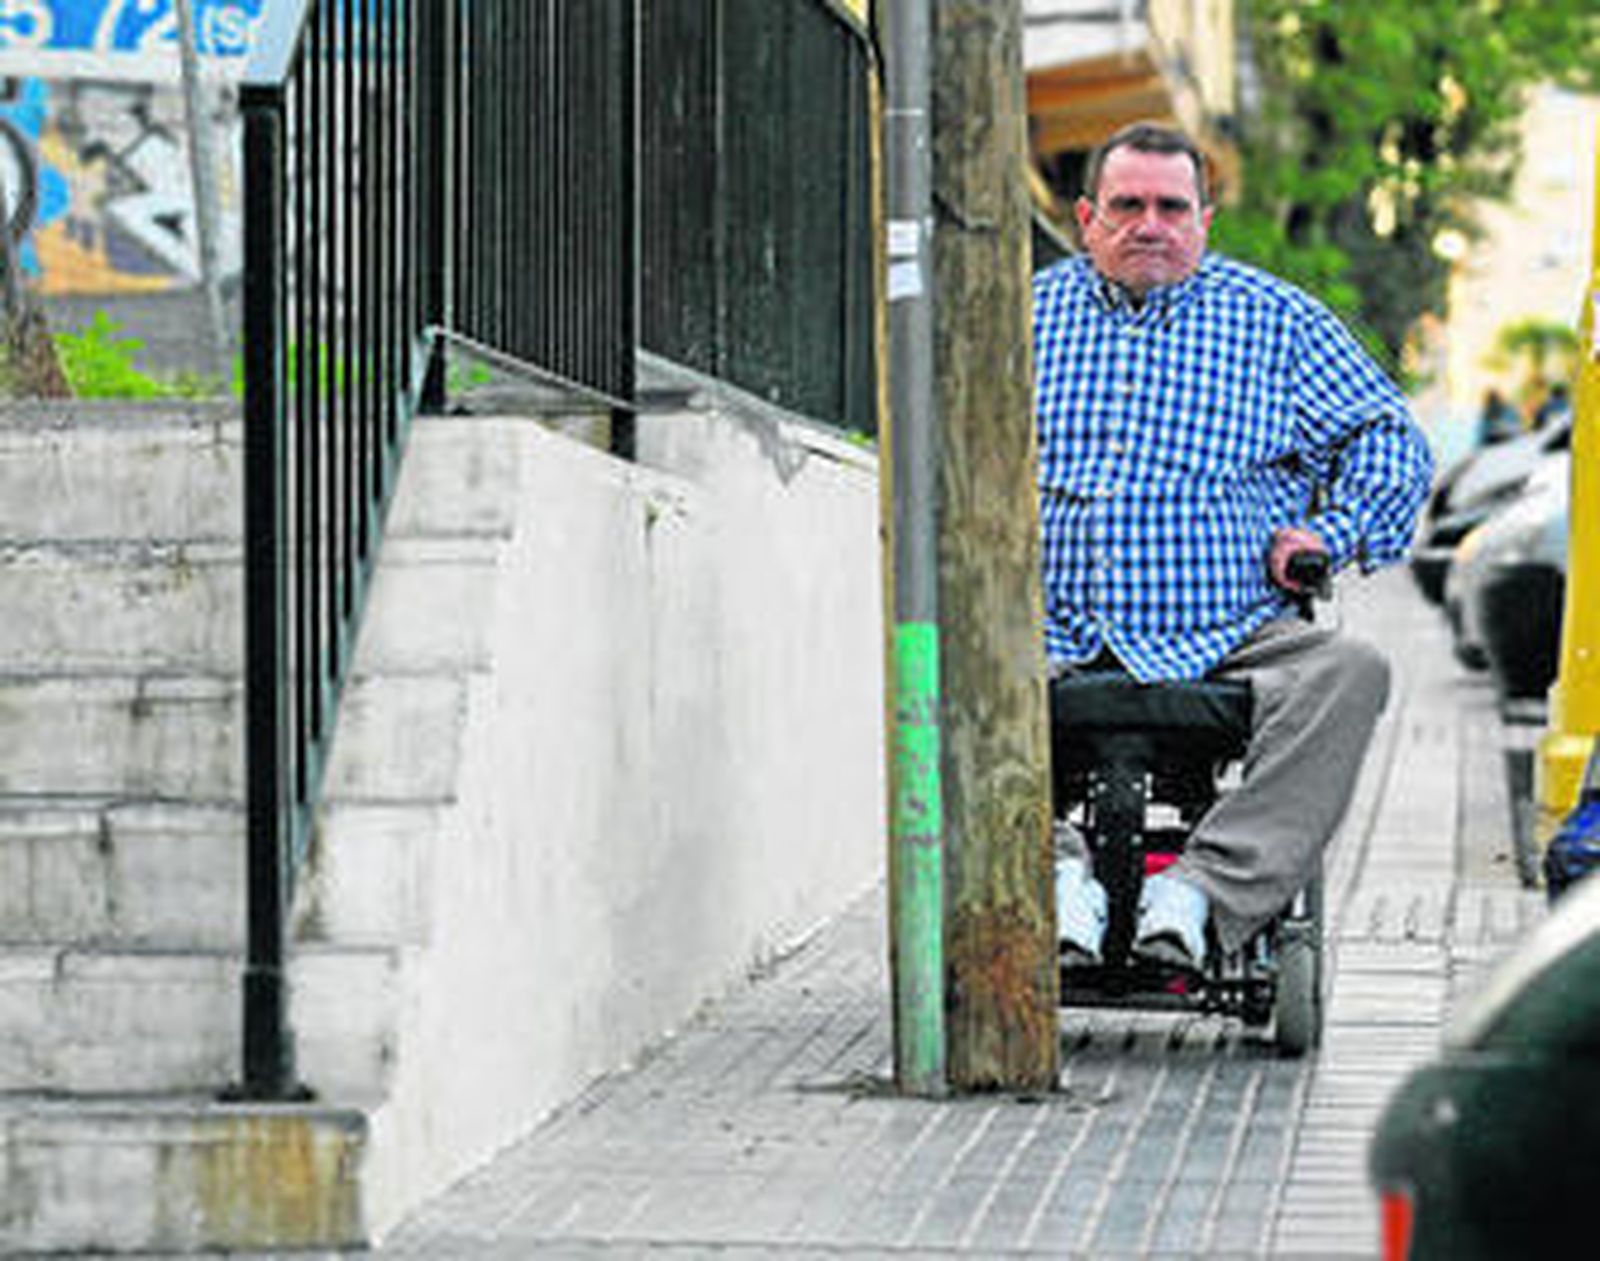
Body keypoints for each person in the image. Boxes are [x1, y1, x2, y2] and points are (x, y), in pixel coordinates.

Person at [1034, 121, 1433, 969]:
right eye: (1127, 205)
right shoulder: (1022, 317)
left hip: (1230, 632)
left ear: (1203, 220)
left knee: (1351, 672)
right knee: (926, 662)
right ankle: (1052, 875)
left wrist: (1329, 531)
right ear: (1086, 218)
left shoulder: (1277, 322)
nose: (1150, 225)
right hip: (1046, 625)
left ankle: (1200, 891)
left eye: (1172, 207)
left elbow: (1390, 438)